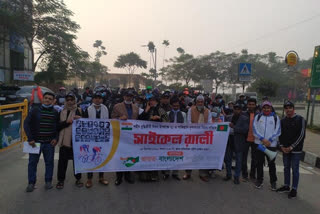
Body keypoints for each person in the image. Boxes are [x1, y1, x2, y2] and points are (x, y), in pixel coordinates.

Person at [24, 92, 60, 192]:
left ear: (53, 101)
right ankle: (31, 183)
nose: (47, 100)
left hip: (49, 143)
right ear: (42, 99)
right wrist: (30, 138)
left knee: (49, 163)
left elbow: (57, 127)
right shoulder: (35, 110)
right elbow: (26, 124)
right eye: (46, 98)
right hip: (35, 143)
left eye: (50, 99)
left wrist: (55, 138)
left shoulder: (55, 112)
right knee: (32, 163)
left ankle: (48, 181)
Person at [276, 101, 306, 199]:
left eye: (290, 108)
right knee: (286, 168)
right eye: (286, 108)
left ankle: (294, 189)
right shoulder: (282, 120)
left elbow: (301, 135)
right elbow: (279, 134)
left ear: (293, 109)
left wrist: (292, 147)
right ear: (284, 110)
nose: (288, 110)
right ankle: (286, 185)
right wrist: (281, 146)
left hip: (295, 150)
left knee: (295, 170)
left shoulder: (300, 119)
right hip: (285, 149)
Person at [138, 94, 169, 181]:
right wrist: (146, 110)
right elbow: (138, 121)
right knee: (146, 154)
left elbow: (167, 122)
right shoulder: (146, 110)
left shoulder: (161, 110)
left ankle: (154, 173)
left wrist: (158, 119)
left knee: (155, 155)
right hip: (146, 137)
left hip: (157, 138)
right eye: (150, 100)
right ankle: (145, 173)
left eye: (153, 100)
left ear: (157, 101)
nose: (151, 102)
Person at [111, 89, 139, 185]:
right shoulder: (117, 106)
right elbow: (112, 120)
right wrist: (119, 119)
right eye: (127, 96)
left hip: (131, 135)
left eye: (131, 96)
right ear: (124, 97)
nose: (129, 98)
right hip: (120, 135)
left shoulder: (136, 107)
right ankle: (119, 177)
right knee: (119, 156)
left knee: (129, 155)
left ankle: (127, 175)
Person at [56, 92, 83, 189]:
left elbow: (86, 124)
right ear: (65, 101)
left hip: (76, 141)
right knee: (62, 162)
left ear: (75, 100)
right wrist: (66, 122)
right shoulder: (61, 111)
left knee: (77, 162)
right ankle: (60, 180)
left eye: (72, 99)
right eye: (68, 100)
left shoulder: (80, 110)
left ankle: (78, 179)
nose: (70, 102)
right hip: (64, 141)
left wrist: (81, 119)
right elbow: (57, 126)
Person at [183, 95, 212, 182]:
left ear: (204, 102)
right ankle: (188, 173)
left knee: (202, 155)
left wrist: (203, 131)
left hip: (203, 137)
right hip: (192, 136)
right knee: (190, 155)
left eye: (201, 102)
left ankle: (202, 174)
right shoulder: (190, 110)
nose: (200, 103)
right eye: (198, 101)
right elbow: (188, 122)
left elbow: (210, 123)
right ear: (196, 102)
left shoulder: (208, 111)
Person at [83, 91, 109, 188]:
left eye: (99, 98)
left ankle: (101, 177)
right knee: (91, 157)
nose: (98, 99)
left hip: (102, 137)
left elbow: (109, 122)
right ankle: (89, 179)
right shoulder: (88, 109)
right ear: (93, 99)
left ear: (102, 99)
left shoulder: (106, 108)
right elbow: (84, 122)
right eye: (96, 98)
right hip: (91, 137)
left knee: (101, 156)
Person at [253, 101, 281, 190]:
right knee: (259, 163)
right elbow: (254, 129)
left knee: (271, 164)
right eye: (264, 107)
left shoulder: (275, 117)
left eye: (268, 107)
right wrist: (262, 139)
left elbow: (278, 131)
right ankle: (259, 180)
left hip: (271, 144)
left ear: (271, 108)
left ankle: (273, 182)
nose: (266, 109)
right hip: (260, 144)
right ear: (262, 108)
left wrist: (270, 140)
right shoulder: (258, 117)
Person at [162, 96, 187, 181]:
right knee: (167, 155)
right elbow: (164, 126)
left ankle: (175, 173)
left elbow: (186, 126)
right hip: (169, 137)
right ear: (171, 105)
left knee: (177, 155)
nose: (176, 107)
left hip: (179, 137)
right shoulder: (168, 114)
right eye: (174, 106)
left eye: (177, 106)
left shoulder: (183, 114)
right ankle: (166, 172)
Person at [224, 104, 249, 184]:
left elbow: (245, 130)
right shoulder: (228, 117)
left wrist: (234, 127)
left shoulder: (245, 119)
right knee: (228, 159)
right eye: (235, 108)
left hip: (239, 142)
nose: (236, 110)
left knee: (238, 161)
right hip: (229, 141)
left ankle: (236, 177)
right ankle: (228, 174)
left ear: (241, 110)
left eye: (238, 109)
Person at [241, 98, 259, 182]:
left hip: (256, 140)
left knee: (255, 158)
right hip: (245, 139)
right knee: (243, 158)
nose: (251, 106)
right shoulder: (243, 114)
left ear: (255, 105)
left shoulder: (259, 115)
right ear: (247, 105)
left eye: (253, 104)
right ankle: (244, 174)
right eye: (249, 104)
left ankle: (252, 175)